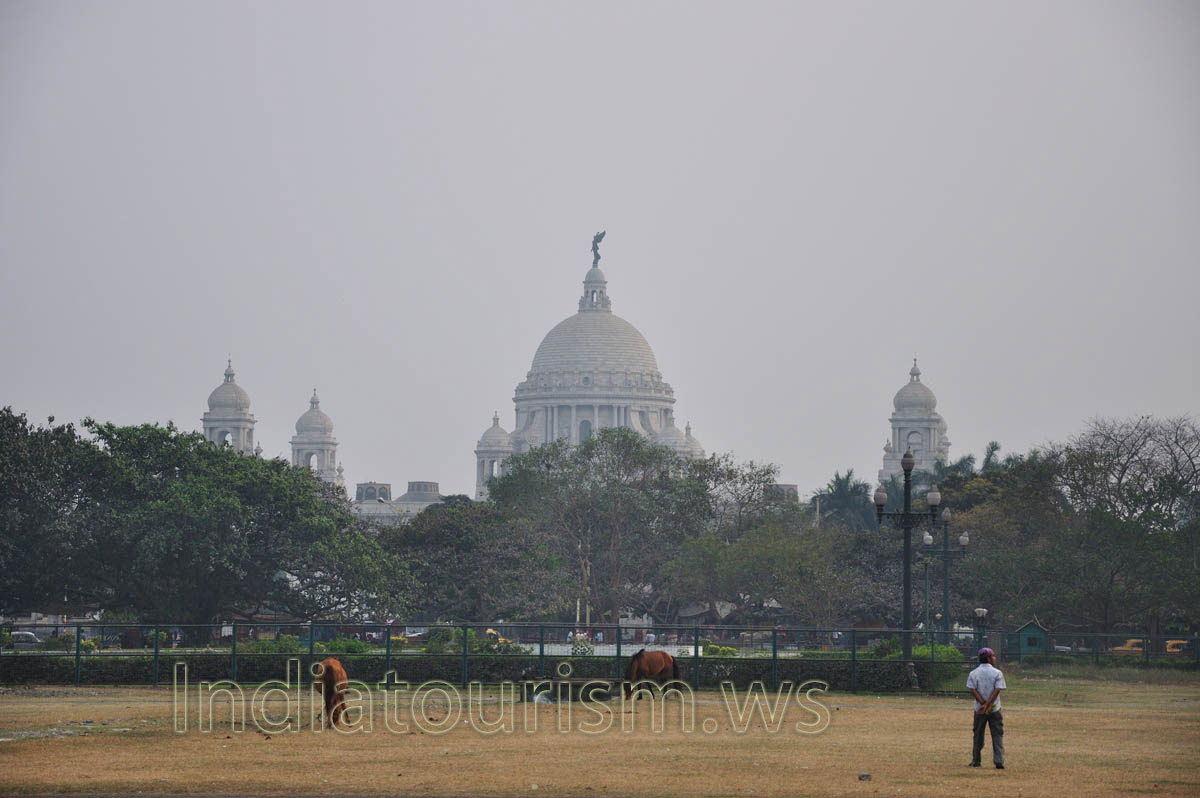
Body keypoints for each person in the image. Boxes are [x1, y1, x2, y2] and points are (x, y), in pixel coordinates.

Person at [966, 647, 1006, 769]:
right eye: (993, 656)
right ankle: (998, 760)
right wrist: (988, 704)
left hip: (979, 710)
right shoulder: (997, 673)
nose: (994, 658)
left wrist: (982, 704)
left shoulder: (973, 673)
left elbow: (972, 689)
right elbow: (997, 689)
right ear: (988, 658)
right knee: (997, 734)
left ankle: (976, 760)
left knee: (978, 734)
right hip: (994, 709)